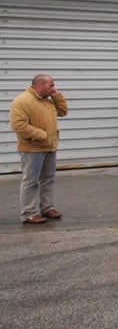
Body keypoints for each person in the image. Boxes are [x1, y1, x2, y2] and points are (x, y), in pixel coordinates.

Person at [9, 74, 68, 224]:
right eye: (51, 85)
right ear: (39, 85)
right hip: (32, 149)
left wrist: (56, 96)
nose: (53, 88)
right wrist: (42, 135)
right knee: (31, 181)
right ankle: (29, 213)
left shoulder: (47, 101)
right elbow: (19, 125)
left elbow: (63, 111)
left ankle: (47, 208)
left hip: (50, 146)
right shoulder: (22, 101)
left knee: (48, 179)